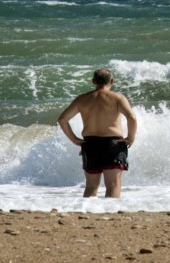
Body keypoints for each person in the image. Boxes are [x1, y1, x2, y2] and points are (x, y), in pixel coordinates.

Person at [58, 68, 137, 198]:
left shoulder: (82, 99)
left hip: (90, 144)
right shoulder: (117, 98)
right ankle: (110, 212)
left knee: (91, 186)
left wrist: (75, 140)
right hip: (113, 144)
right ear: (112, 81)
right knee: (112, 185)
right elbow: (132, 118)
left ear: (93, 81)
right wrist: (130, 138)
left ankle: (88, 211)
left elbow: (62, 119)